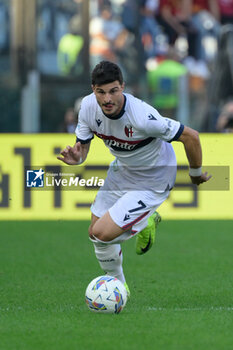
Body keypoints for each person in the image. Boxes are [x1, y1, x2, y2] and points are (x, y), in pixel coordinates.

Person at [57, 61, 211, 297]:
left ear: (123, 87)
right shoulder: (88, 107)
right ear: (93, 90)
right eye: (101, 92)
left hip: (154, 177)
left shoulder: (142, 116)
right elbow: (82, 151)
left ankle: (144, 220)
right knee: (95, 234)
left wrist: (196, 173)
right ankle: (120, 288)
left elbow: (191, 136)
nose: (107, 99)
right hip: (123, 171)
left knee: (102, 233)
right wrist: (77, 159)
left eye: (113, 91)